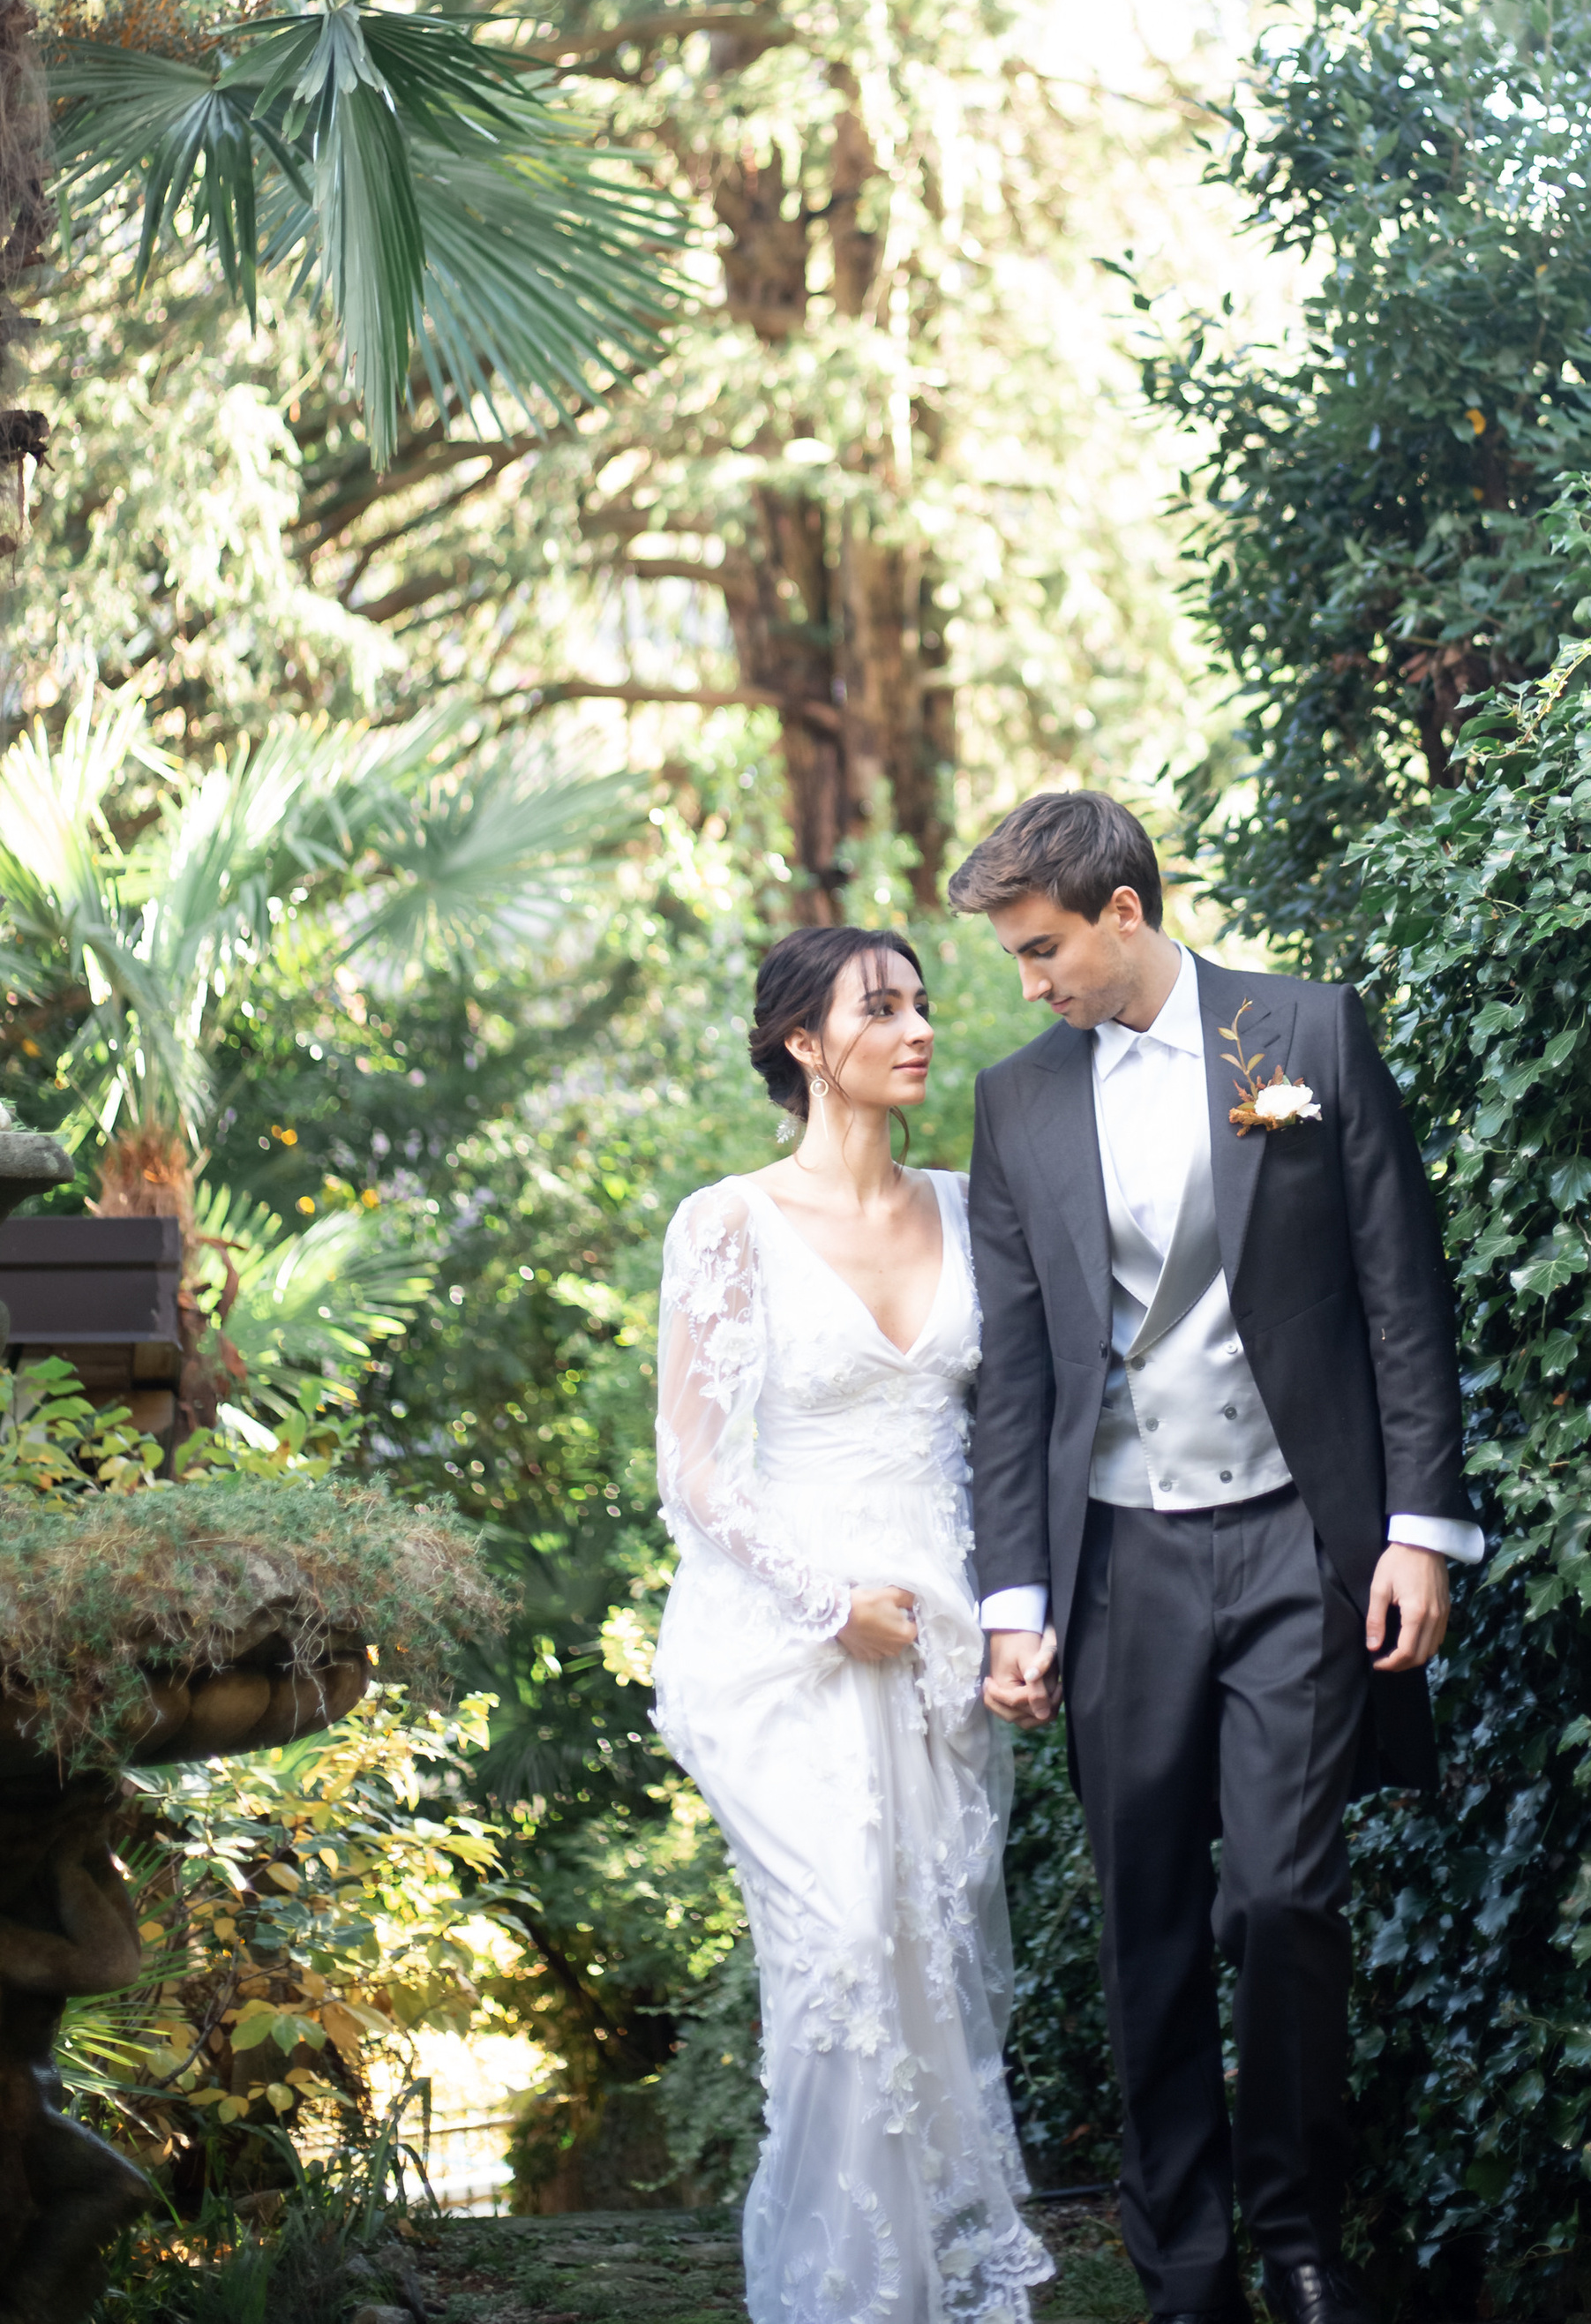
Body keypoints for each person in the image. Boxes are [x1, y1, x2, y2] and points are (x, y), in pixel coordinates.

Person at [952, 793, 1478, 2324]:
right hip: (1119, 1560)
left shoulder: (1304, 1034)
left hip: (1296, 1544)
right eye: (1011, 957)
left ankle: (1302, 2235)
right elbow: (1023, 1380)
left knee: (1287, 1903)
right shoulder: (1016, 1102)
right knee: (1148, 1925)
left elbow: (1401, 1296)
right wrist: (1016, 1605)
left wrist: (1418, 1533)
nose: (1028, 981)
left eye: (1043, 949)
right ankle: (1187, 2264)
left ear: (1125, 912)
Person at [651, 924, 1052, 2324]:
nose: (919, 1028)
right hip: (781, 1648)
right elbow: (695, 1470)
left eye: (923, 1003)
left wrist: (1009, 1617)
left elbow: (1011, 1432)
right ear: (805, 1046)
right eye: (881, 1008)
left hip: (938, 1641)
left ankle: (943, 2277)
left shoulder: (965, 1205)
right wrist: (829, 1605)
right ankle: (838, 2299)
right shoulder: (729, 1221)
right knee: (835, 1958)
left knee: (930, 1967)